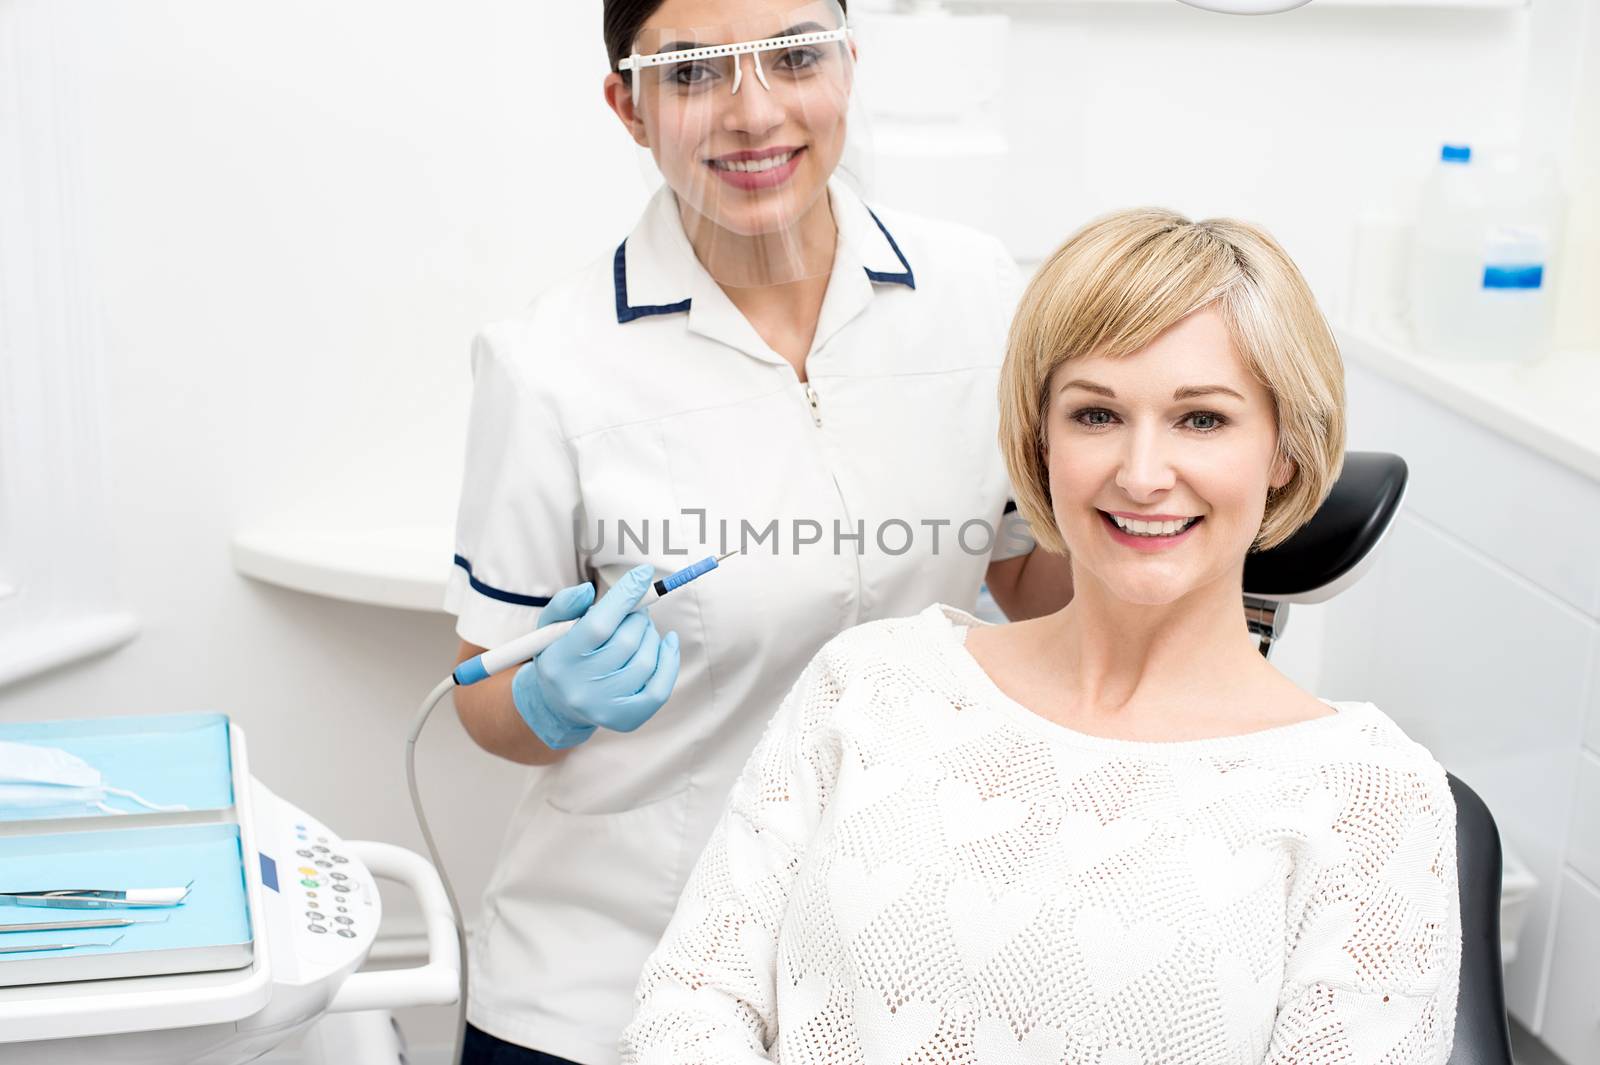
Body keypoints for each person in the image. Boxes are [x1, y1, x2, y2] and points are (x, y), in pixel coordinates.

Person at [624, 208, 1462, 1065]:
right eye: (1096, 415)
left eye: (1201, 419)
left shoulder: (1369, 795)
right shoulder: (870, 686)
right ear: (1040, 438)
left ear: (1283, 449)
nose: (1142, 474)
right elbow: (692, 1003)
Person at [444, 1, 1072, 1061]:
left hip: (891, 963)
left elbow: (1035, 590)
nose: (754, 112)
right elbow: (482, 699)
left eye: (792, 58)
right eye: (692, 74)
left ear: (847, 68)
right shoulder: (547, 364)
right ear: (628, 108)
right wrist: (548, 700)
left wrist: (1142, 522)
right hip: (615, 975)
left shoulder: (977, 298)